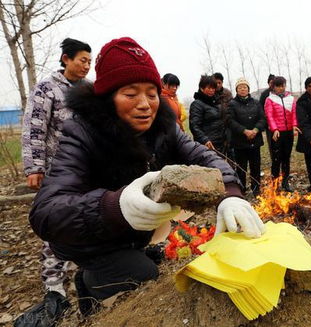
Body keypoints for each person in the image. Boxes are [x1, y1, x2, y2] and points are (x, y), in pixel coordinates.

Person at [28, 37, 265, 317]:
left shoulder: (164, 127)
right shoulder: (81, 132)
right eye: (130, 94)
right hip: (89, 239)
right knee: (142, 276)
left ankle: (97, 280)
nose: (145, 105)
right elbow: (46, 213)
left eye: (152, 94)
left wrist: (230, 193)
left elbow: (203, 156)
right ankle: (93, 279)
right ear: (107, 98)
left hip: (134, 233)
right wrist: (114, 206)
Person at [16, 38, 91, 326]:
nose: (86, 65)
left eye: (89, 61)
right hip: (57, 172)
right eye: (82, 59)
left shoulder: (87, 91)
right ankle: (54, 282)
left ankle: (86, 268)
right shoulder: (47, 88)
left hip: (86, 170)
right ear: (66, 59)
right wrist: (34, 167)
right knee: (55, 225)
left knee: (85, 218)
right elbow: (33, 128)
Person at [228, 78, 267, 196]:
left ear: (248, 89)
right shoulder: (232, 104)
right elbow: (230, 121)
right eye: (240, 87)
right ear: (236, 90)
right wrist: (244, 131)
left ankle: (256, 189)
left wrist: (255, 130)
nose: (243, 89)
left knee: (255, 166)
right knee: (241, 168)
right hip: (240, 142)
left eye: (245, 87)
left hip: (255, 140)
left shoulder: (256, 103)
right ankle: (242, 189)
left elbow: (262, 118)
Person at [264, 76, 299, 192]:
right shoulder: (270, 99)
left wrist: (294, 126)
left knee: (286, 158)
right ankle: (275, 184)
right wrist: (274, 129)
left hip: (288, 132)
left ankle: (285, 182)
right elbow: (269, 116)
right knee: (276, 159)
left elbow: (294, 114)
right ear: (273, 87)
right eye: (278, 86)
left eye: (282, 85)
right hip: (277, 133)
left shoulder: (291, 98)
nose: (280, 88)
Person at [190, 75, 228, 153]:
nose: (212, 90)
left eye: (213, 88)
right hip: (207, 145)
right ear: (201, 88)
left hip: (220, 144)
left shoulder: (215, 102)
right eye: (209, 88)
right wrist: (205, 140)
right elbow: (194, 125)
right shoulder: (197, 104)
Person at [259, 74, 275, 161]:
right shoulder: (265, 94)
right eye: (271, 82)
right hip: (269, 124)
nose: (272, 85)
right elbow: (261, 108)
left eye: (274, 82)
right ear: (268, 83)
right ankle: (274, 161)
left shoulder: (280, 92)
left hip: (281, 124)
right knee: (272, 144)